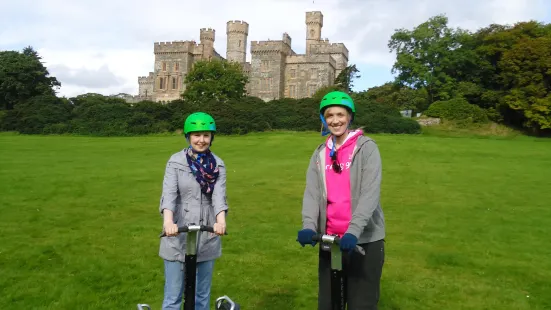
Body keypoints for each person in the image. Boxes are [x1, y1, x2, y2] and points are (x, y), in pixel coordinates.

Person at [297, 91, 386, 310]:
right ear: (323, 120)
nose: (335, 120)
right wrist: (309, 226)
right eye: (329, 115)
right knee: (329, 304)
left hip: (363, 241)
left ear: (350, 117)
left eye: (340, 114)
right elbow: (312, 193)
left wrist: (354, 231)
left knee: (360, 304)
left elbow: (370, 193)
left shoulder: (366, 148)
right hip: (329, 240)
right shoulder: (320, 153)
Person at [158, 112, 228, 310]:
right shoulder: (175, 162)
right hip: (177, 232)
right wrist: (168, 223)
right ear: (188, 136)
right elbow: (169, 195)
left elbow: (219, 197)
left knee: (201, 297)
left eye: (206, 135)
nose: (201, 140)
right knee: (173, 297)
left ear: (211, 137)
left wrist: (220, 222)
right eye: (196, 135)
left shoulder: (218, 164)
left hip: (207, 233)